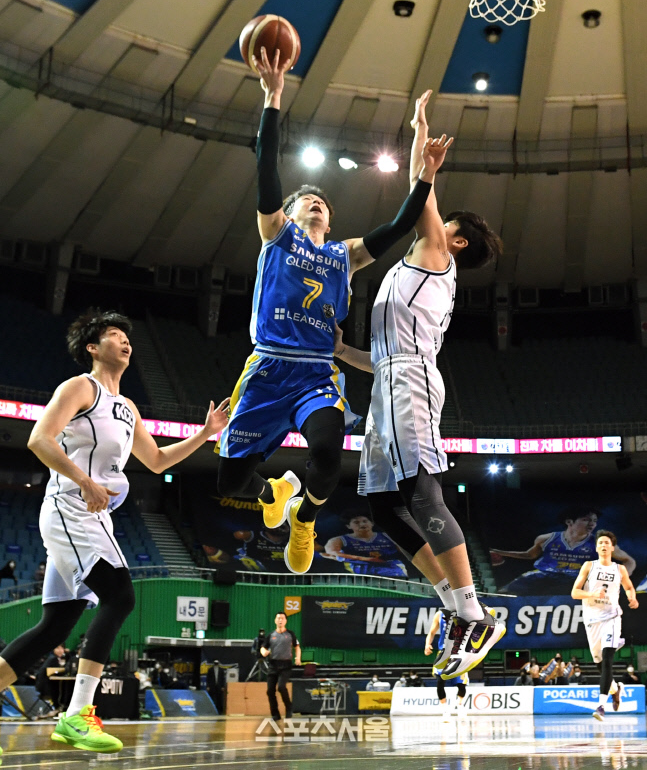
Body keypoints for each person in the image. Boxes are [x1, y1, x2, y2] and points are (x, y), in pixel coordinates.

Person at [216, 47, 440, 577]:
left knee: (327, 458)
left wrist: (426, 174)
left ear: (332, 222)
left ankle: (305, 519)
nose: (316, 202)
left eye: (323, 203)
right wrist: (273, 98)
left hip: (317, 373)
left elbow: (398, 226)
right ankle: (275, 492)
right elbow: (266, 169)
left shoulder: (345, 255)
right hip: (268, 367)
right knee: (230, 482)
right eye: (307, 200)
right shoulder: (276, 234)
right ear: (288, 212)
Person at [0, 309, 229, 755]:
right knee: (120, 596)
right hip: (70, 509)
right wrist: (84, 481)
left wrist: (205, 433)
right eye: (113, 334)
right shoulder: (79, 388)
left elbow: (157, 461)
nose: (124, 340)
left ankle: (72, 714)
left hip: (94, 517)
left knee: (54, 627)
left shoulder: (127, 408)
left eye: (126, 335)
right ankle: (77, 714)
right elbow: (39, 439)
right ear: (92, 347)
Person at [334, 89, 505, 680]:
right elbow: (380, 360)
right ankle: (453, 603)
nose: (434, 220)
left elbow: (417, 191)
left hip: (411, 382)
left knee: (421, 494)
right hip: (389, 378)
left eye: (444, 221)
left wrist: (419, 137)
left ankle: (476, 613)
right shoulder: (423, 259)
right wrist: (342, 352)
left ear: (456, 240)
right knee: (383, 506)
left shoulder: (437, 254)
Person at [571, 529, 639, 721]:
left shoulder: (620, 569)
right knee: (600, 664)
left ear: (612, 547)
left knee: (608, 659)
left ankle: (601, 706)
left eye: (607, 543)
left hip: (612, 617)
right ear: (596, 547)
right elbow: (575, 592)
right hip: (592, 619)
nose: (603, 545)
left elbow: (628, 586)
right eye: (600, 542)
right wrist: (591, 594)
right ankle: (616, 689)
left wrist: (632, 597)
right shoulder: (589, 566)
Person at [491, 506, 636, 595]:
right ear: (569, 522)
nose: (592, 524)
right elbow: (530, 555)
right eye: (586, 519)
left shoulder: (599, 542)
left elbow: (629, 561)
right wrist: (501, 552)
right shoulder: (546, 538)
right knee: (507, 590)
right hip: (545, 574)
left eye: (594, 521)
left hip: (578, 578)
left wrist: (620, 578)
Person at [324, 509, 408, 578]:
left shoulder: (388, 536)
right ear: (348, 526)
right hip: (360, 573)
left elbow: (406, 551)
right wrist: (366, 559)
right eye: (356, 522)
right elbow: (331, 554)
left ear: (372, 523)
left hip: (392, 570)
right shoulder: (339, 540)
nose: (362, 524)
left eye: (365, 521)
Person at [425, 609, 468, 720]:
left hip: (459, 652)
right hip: (443, 652)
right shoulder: (440, 614)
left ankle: (460, 705)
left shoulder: (464, 613)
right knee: (440, 680)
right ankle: (445, 710)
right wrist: (427, 644)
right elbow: (432, 632)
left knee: (461, 684)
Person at [260, 611, 301, 720]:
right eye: (278, 618)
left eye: (282, 618)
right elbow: (263, 647)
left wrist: (298, 658)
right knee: (270, 691)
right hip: (273, 665)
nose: (280, 620)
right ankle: (275, 714)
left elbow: (297, 647)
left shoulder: (290, 634)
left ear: (285, 621)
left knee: (281, 687)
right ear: (275, 620)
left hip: (286, 665)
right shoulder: (271, 635)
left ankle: (289, 707)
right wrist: (263, 652)